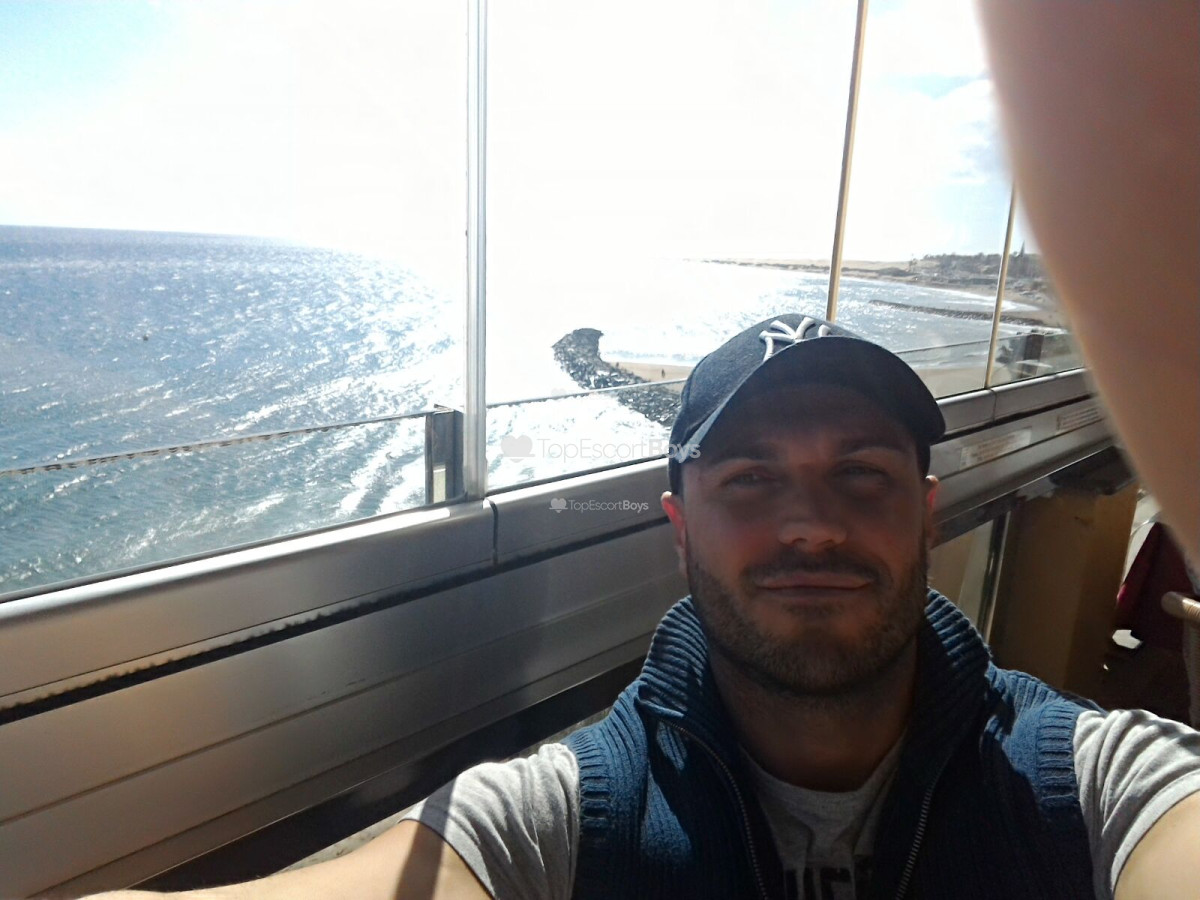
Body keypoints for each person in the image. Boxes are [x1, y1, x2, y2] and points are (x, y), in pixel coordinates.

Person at [92, 314, 1200, 900]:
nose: (811, 526)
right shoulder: (565, 821)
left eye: (861, 475)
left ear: (927, 513)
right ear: (679, 529)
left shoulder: (1096, 783)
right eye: (750, 479)